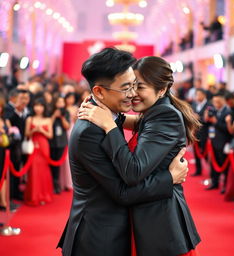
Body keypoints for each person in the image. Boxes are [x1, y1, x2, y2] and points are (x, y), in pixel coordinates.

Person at [57, 48, 189, 256]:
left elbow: (142, 123)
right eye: (127, 88)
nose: (132, 94)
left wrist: (113, 123)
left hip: (130, 231)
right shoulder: (92, 130)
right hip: (100, 238)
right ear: (100, 92)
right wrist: (170, 178)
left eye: (136, 86)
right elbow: (122, 193)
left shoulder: (107, 117)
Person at [24, 98, 53, 206]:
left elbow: (50, 135)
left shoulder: (48, 119)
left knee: (44, 170)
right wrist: (33, 130)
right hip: (32, 145)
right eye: (36, 105)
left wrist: (42, 131)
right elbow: (26, 134)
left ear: (44, 107)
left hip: (44, 145)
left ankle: (43, 195)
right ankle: (33, 196)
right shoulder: (29, 119)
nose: (38, 108)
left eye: (40, 106)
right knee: (33, 170)